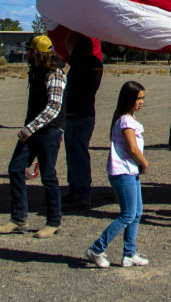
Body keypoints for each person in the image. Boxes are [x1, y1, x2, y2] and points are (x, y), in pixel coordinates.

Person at [0, 35, 68, 238]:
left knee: (48, 175)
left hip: (50, 130)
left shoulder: (55, 74)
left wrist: (30, 128)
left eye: (28, 50)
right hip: (34, 128)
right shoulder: (36, 71)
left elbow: (54, 108)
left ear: (35, 53)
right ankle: (19, 219)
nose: (25, 53)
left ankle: (54, 221)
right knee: (16, 168)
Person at [84, 81, 149, 268]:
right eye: (138, 98)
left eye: (143, 98)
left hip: (130, 172)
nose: (141, 102)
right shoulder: (126, 121)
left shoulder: (127, 118)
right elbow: (132, 149)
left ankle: (129, 253)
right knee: (128, 214)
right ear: (128, 99)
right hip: (123, 173)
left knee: (136, 213)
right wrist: (144, 163)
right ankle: (97, 249)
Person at [62, 35, 103, 211]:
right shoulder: (88, 63)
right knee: (73, 155)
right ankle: (74, 189)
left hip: (81, 115)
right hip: (76, 114)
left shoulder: (85, 64)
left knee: (79, 156)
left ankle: (82, 193)